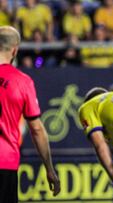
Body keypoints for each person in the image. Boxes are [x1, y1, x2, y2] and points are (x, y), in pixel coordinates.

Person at [0, 25, 60, 203]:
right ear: (15, 50)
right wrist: (49, 169)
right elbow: (37, 130)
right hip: (4, 162)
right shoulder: (22, 81)